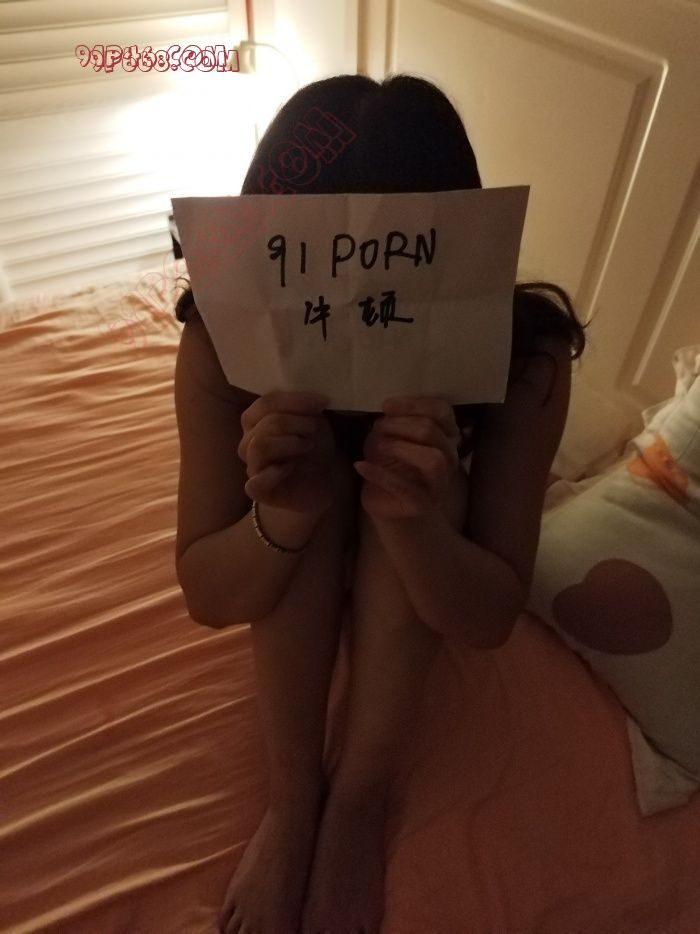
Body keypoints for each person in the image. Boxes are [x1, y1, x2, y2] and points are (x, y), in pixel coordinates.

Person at [173, 73, 589, 934]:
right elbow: (209, 593)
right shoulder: (219, 343)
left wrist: (417, 525)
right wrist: (283, 514)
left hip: (430, 558)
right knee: (307, 491)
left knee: (401, 496)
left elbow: (489, 615)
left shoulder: (527, 360)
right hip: (299, 546)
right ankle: (296, 800)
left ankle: (360, 796)